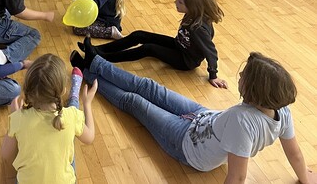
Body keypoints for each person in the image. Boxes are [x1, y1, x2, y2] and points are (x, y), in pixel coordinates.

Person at [71, 47, 317, 184]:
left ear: (256, 91)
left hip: (186, 144)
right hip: (203, 117)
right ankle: (96, 62)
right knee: (149, 87)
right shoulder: (282, 110)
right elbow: (295, 153)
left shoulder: (243, 123)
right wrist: (305, 177)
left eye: (244, 76)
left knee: (134, 101)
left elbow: (237, 176)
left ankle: (88, 73)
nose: (240, 76)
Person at [78, 0, 227, 88]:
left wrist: (213, 75)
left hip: (185, 61)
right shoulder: (193, 14)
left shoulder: (199, 29)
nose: (175, 2)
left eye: (180, 2)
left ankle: (101, 58)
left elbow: (211, 52)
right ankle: (98, 49)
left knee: (148, 48)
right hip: (179, 46)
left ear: (192, 6)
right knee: (139, 35)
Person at [0, 54, 98, 184]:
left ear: (29, 90)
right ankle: (74, 95)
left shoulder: (18, 118)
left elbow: (6, 155)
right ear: (63, 91)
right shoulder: (71, 116)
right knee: (68, 145)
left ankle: (74, 96)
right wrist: (87, 104)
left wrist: (14, 118)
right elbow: (89, 137)